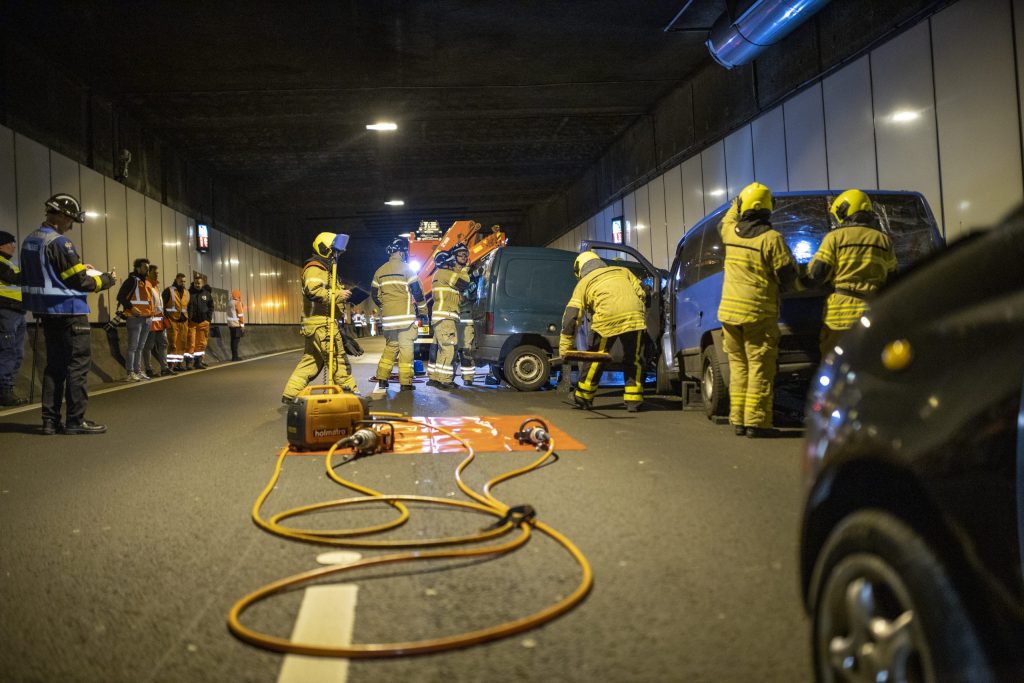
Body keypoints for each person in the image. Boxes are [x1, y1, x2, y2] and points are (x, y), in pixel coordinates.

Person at [20, 194, 117, 434]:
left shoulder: (30, 241)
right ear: (61, 215)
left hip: (47, 313)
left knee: (54, 367)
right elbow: (80, 282)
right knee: (77, 366)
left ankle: (49, 421)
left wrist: (79, 269)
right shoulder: (61, 243)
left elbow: (50, 274)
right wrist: (107, 280)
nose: (71, 225)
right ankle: (75, 420)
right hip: (71, 311)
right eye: (71, 219)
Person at [717, 182, 800, 438]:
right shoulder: (771, 239)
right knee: (760, 367)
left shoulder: (730, 233)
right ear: (768, 208)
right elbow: (788, 276)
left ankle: (738, 421)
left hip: (729, 314)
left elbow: (724, 222)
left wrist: (734, 206)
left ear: (743, 206)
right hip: (757, 314)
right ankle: (757, 423)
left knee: (739, 366)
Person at [804, 189, 897, 358]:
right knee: (868, 364)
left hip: (840, 316)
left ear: (846, 210)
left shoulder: (835, 238)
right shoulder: (883, 240)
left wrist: (797, 282)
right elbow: (892, 279)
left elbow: (816, 273)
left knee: (835, 367)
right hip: (872, 314)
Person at [559, 250, 647, 412]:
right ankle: (634, 400)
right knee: (634, 358)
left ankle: (583, 397)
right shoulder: (623, 271)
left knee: (596, 357)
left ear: (581, 269)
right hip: (635, 316)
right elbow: (642, 291)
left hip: (606, 318)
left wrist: (565, 349)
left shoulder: (584, 282)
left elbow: (571, 318)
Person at [282, 232, 357, 402]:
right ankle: (351, 395)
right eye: (334, 251)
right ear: (326, 250)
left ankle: (290, 394)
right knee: (338, 360)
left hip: (317, 324)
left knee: (311, 360)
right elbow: (313, 291)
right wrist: (338, 294)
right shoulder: (315, 268)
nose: (337, 255)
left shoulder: (326, 270)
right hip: (321, 324)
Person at [371, 237, 427, 392]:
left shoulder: (379, 271)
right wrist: (423, 312)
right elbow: (417, 292)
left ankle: (382, 378)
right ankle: (406, 382)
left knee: (390, 348)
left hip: (389, 320)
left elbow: (375, 295)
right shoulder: (407, 269)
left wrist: (385, 307)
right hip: (405, 319)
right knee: (406, 350)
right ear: (402, 253)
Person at [426, 249, 470, 389]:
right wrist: (464, 270)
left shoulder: (439, 275)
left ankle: (435, 378)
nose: (453, 262)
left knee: (441, 349)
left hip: (442, 316)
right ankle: (445, 380)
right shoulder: (446, 273)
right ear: (446, 262)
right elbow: (464, 283)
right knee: (449, 349)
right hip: (446, 316)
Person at [0, 230, 27, 406]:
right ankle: (4, 391)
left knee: (16, 353)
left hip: (16, 312)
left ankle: (7, 389)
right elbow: (12, 278)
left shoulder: (9, 263)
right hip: (6, 311)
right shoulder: (1, 264)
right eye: (11, 243)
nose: (14, 246)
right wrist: (32, 272)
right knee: (8, 352)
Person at [116, 258, 155, 381]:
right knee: (133, 347)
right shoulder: (131, 281)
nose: (147, 270)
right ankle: (130, 373)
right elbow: (120, 296)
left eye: (148, 268)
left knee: (140, 347)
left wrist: (151, 315)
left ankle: (138, 371)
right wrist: (131, 308)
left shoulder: (147, 283)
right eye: (145, 267)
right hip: (134, 318)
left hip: (147, 318)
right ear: (138, 268)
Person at [450, 242, 478, 385]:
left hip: (466, 318)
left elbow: (468, 296)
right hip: (452, 318)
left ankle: (468, 378)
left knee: (466, 350)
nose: (463, 257)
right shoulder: (450, 274)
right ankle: (448, 378)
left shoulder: (471, 276)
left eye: (465, 254)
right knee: (451, 350)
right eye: (460, 254)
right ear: (454, 257)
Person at [142, 264, 171, 377]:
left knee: (163, 344)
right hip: (150, 321)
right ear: (149, 273)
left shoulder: (156, 286)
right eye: (155, 272)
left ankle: (164, 368)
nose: (157, 274)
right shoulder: (147, 285)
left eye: (158, 272)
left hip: (159, 321)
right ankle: (148, 369)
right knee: (148, 346)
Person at [185, 273, 213, 369]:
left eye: (199, 283)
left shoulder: (207, 294)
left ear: (202, 283)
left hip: (203, 322)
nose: (197, 285)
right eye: (196, 283)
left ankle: (198, 362)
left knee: (201, 344)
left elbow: (211, 307)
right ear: (193, 283)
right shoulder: (188, 293)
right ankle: (188, 363)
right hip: (191, 322)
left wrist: (208, 318)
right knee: (190, 343)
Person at [163, 273, 189, 371]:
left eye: (184, 281)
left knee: (182, 344)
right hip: (172, 320)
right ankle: (170, 365)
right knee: (172, 344)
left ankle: (179, 364)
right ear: (176, 280)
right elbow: (163, 305)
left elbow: (187, 306)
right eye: (181, 281)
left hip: (183, 321)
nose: (182, 283)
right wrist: (166, 318)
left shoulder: (186, 292)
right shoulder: (169, 290)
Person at [227, 289, 245, 361]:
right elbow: (240, 315)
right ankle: (235, 357)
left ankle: (233, 356)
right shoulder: (237, 303)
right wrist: (242, 325)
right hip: (237, 324)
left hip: (230, 324)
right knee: (236, 341)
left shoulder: (229, 303)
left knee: (232, 340)